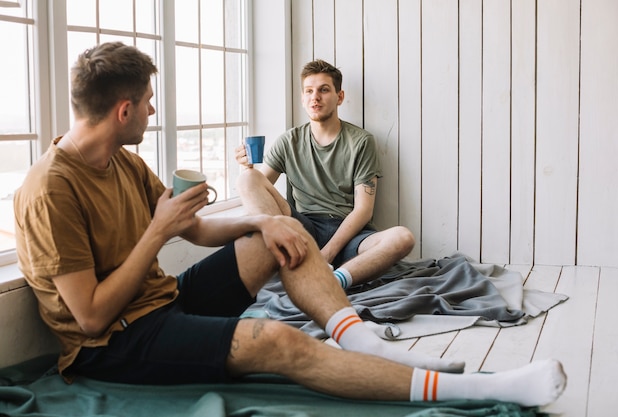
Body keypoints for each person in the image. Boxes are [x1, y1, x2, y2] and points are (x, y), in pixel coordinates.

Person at [14, 42, 566, 408]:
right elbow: (89, 318)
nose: (153, 112)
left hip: (159, 302)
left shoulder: (124, 162)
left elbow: (197, 232)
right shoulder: (50, 189)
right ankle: (465, 391)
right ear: (123, 111)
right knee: (277, 339)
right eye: (149, 103)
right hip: (114, 340)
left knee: (284, 235)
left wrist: (260, 223)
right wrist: (159, 230)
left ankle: (366, 341)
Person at [236, 59, 415, 289]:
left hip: (349, 234)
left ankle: (334, 280)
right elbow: (259, 188)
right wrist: (246, 166)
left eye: (324, 90)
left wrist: (327, 254)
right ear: (302, 99)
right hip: (302, 228)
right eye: (309, 91)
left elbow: (363, 210)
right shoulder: (289, 141)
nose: (315, 97)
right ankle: (293, 263)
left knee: (402, 238)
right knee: (247, 179)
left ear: (339, 97)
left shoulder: (361, 142)